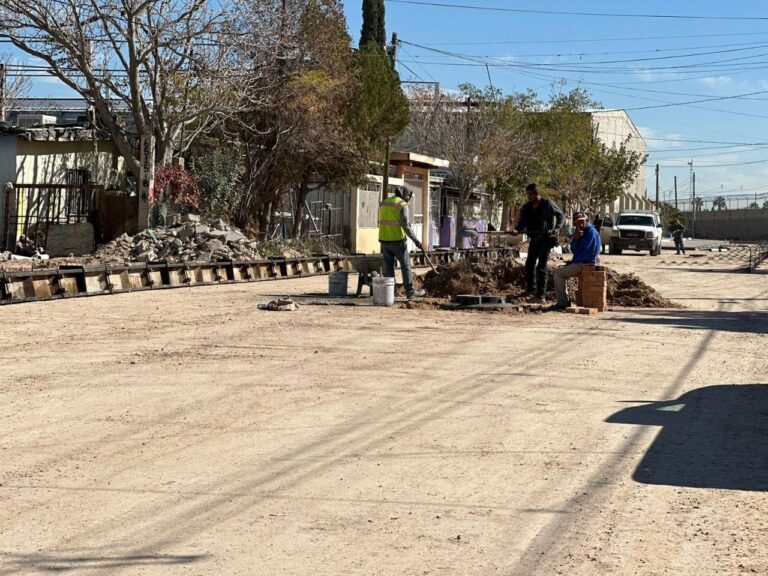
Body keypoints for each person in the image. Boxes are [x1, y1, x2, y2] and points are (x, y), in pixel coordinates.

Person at [510, 183, 565, 303]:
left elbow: (561, 216)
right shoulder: (527, 207)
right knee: (529, 264)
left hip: (546, 239)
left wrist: (557, 227)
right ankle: (531, 289)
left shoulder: (547, 204)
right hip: (534, 239)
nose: (528, 197)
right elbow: (522, 223)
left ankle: (540, 296)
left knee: (541, 267)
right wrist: (517, 230)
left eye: (530, 194)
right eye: (527, 194)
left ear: (536, 193)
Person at [378, 186, 425, 299]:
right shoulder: (402, 205)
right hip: (397, 240)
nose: (409, 198)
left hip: (384, 240)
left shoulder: (384, 202)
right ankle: (410, 292)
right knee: (406, 265)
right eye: (408, 196)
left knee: (388, 267)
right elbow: (405, 225)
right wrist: (416, 240)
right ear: (404, 195)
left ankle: (390, 293)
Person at [553, 212, 602, 309]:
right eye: (577, 223)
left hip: (586, 263)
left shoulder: (590, 232)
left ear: (586, 220)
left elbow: (587, 252)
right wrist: (576, 239)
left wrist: (573, 262)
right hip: (584, 261)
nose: (580, 224)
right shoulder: (582, 232)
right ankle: (565, 300)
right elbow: (574, 250)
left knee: (558, 274)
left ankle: (562, 303)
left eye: (582, 221)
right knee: (563, 272)